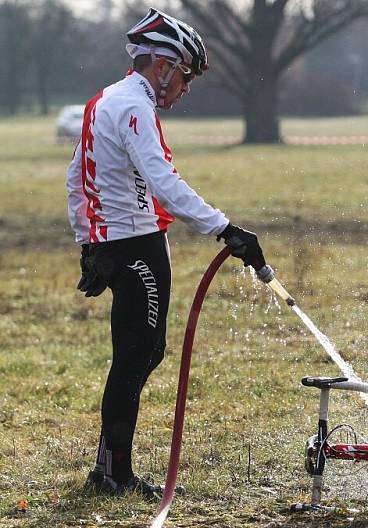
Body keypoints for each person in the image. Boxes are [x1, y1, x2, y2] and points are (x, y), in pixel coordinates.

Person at [66, 8, 264, 497]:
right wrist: (224, 228)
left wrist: (88, 243)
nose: (186, 88)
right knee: (137, 356)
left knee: (141, 353)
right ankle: (112, 473)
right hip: (135, 246)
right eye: (186, 76)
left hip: (118, 243)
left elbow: (77, 177)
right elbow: (162, 182)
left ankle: (109, 466)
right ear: (163, 67)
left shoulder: (106, 100)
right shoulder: (133, 108)